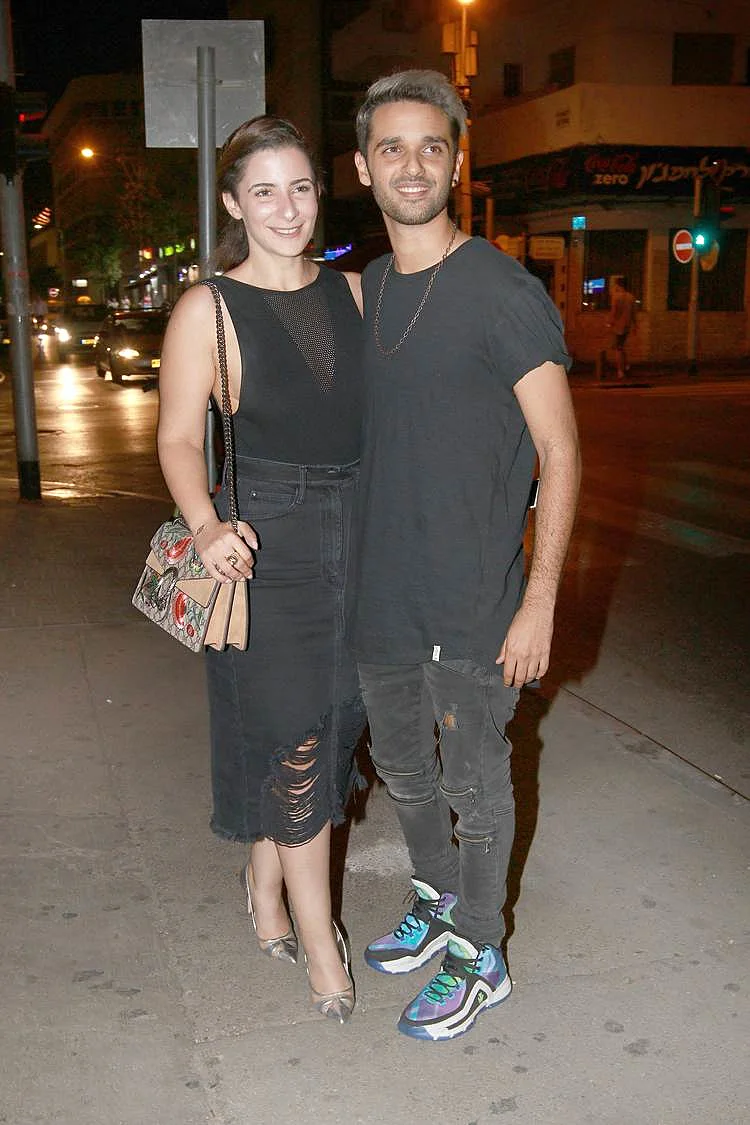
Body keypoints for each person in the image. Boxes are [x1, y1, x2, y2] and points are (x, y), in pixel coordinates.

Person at [349, 70, 581, 1042]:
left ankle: (483, 953)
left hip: (475, 600)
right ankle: (439, 898)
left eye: (431, 147)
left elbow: (561, 451)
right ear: (363, 167)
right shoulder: (367, 290)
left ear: (455, 164)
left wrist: (541, 600)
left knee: (476, 784)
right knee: (404, 770)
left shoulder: (501, 292)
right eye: (392, 148)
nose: (412, 165)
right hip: (381, 597)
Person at [157, 116, 366, 1024]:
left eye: (302, 188)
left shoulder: (356, 292)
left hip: (362, 531)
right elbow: (176, 437)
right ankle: (322, 946)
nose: (288, 208)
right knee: (297, 740)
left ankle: (264, 875)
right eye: (266, 191)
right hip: (265, 543)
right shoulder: (207, 309)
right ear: (235, 203)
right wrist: (206, 526)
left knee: (340, 724)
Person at [607, 276, 637, 379]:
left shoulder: (615, 297)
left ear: (618, 285)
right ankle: (626, 365)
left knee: (618, 349)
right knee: (621, 346)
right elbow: (633, 313)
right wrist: (635, 326)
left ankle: (620, 371)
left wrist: (609, 323)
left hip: (617, 326)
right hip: (627, 325)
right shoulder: (631, 297)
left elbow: (614, 312)